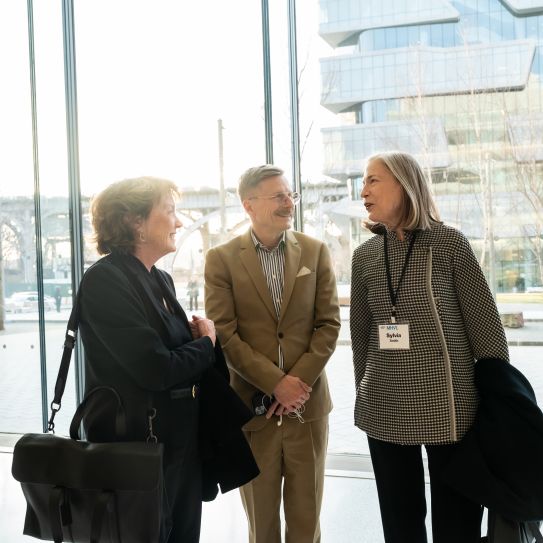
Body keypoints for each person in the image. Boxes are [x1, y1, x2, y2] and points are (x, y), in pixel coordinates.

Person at [78, 176, 258, 543]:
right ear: (135, 222)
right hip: (136, 448)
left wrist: (197, 341)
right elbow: (156, 367)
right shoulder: (105, 281)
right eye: (171, 211)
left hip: (178, 443)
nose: (178, 222)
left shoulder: (160, 279)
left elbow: (172, 356)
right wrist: (207, 342)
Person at [350, 151, 510, 543]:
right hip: (384, 405)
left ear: (404, 184)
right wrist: (363, 392)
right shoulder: (364, 255)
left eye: (373, 180)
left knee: (457, 525)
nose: (363, 190)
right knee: (400, 522)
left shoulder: (449, 243)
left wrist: (499, 407)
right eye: (363, 181)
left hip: (450, 407)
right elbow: (361, 337)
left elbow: (487, 334)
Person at [204, 164, 341, 543]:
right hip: (253, 411)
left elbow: (328, 325)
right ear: (249, 204)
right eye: (278, 196)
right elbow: (224, 335)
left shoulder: (315, 251)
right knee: (260, 525)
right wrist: (275, 383)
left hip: (307, 409)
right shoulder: (222, 259)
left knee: (306, 521)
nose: (288, 202)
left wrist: (296, 385)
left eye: (290, 194)